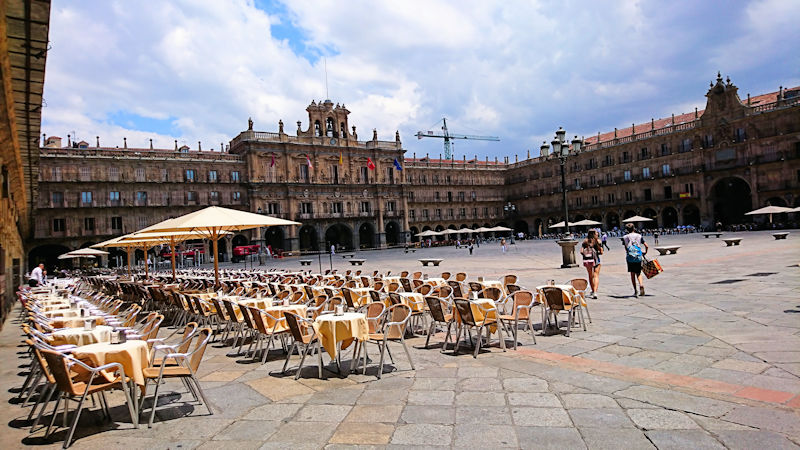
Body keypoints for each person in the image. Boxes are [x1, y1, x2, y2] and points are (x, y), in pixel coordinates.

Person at [623, 223, 649, 297]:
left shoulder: (625, 237)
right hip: (638, 256)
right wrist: (645, 252)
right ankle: (641, 285)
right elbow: (646, 246)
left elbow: (626, 247)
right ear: (634, 228)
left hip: (630, 257)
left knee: (632, 274)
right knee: (638, 273)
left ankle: (635, 290)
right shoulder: (639, 236)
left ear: (627, 230)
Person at [581, 230, 603, 298]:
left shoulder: (585, 241)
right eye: (596, 233)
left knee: (590, 276)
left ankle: (593, 290)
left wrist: (587, 254)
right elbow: (601, 252)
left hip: (588, 260)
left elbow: (581, 251)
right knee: (596, 276)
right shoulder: (598, 241)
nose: (597, 234)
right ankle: (595, 292)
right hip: (596, 259)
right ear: (594, 234)